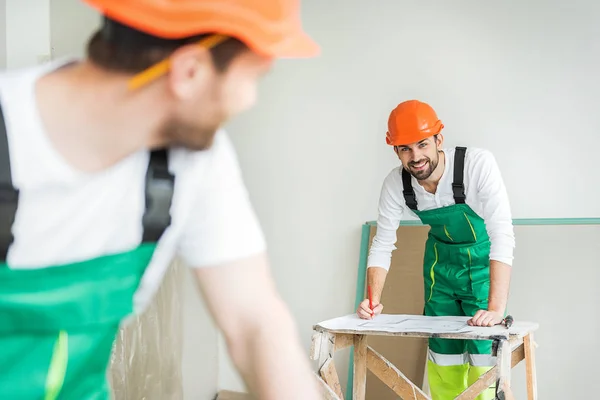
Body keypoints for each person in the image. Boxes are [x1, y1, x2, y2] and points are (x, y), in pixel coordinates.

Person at [0, 0, 322, 399]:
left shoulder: (196, 161)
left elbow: (254, 320)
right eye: (254, 78)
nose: (248, 100)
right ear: (189, 72)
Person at [356, 100, 515, 400]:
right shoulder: (396, 184)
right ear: (396, 151)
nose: (415, 156)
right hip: (439, 272)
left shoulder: (476, 165)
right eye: (405, 148)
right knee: (444, 356)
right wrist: (372, 300)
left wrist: (495, 309)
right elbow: (382, 243)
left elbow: (502, 235)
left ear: (439, 140)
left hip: (482, 270)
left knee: (485, 357)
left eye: (422, 144)